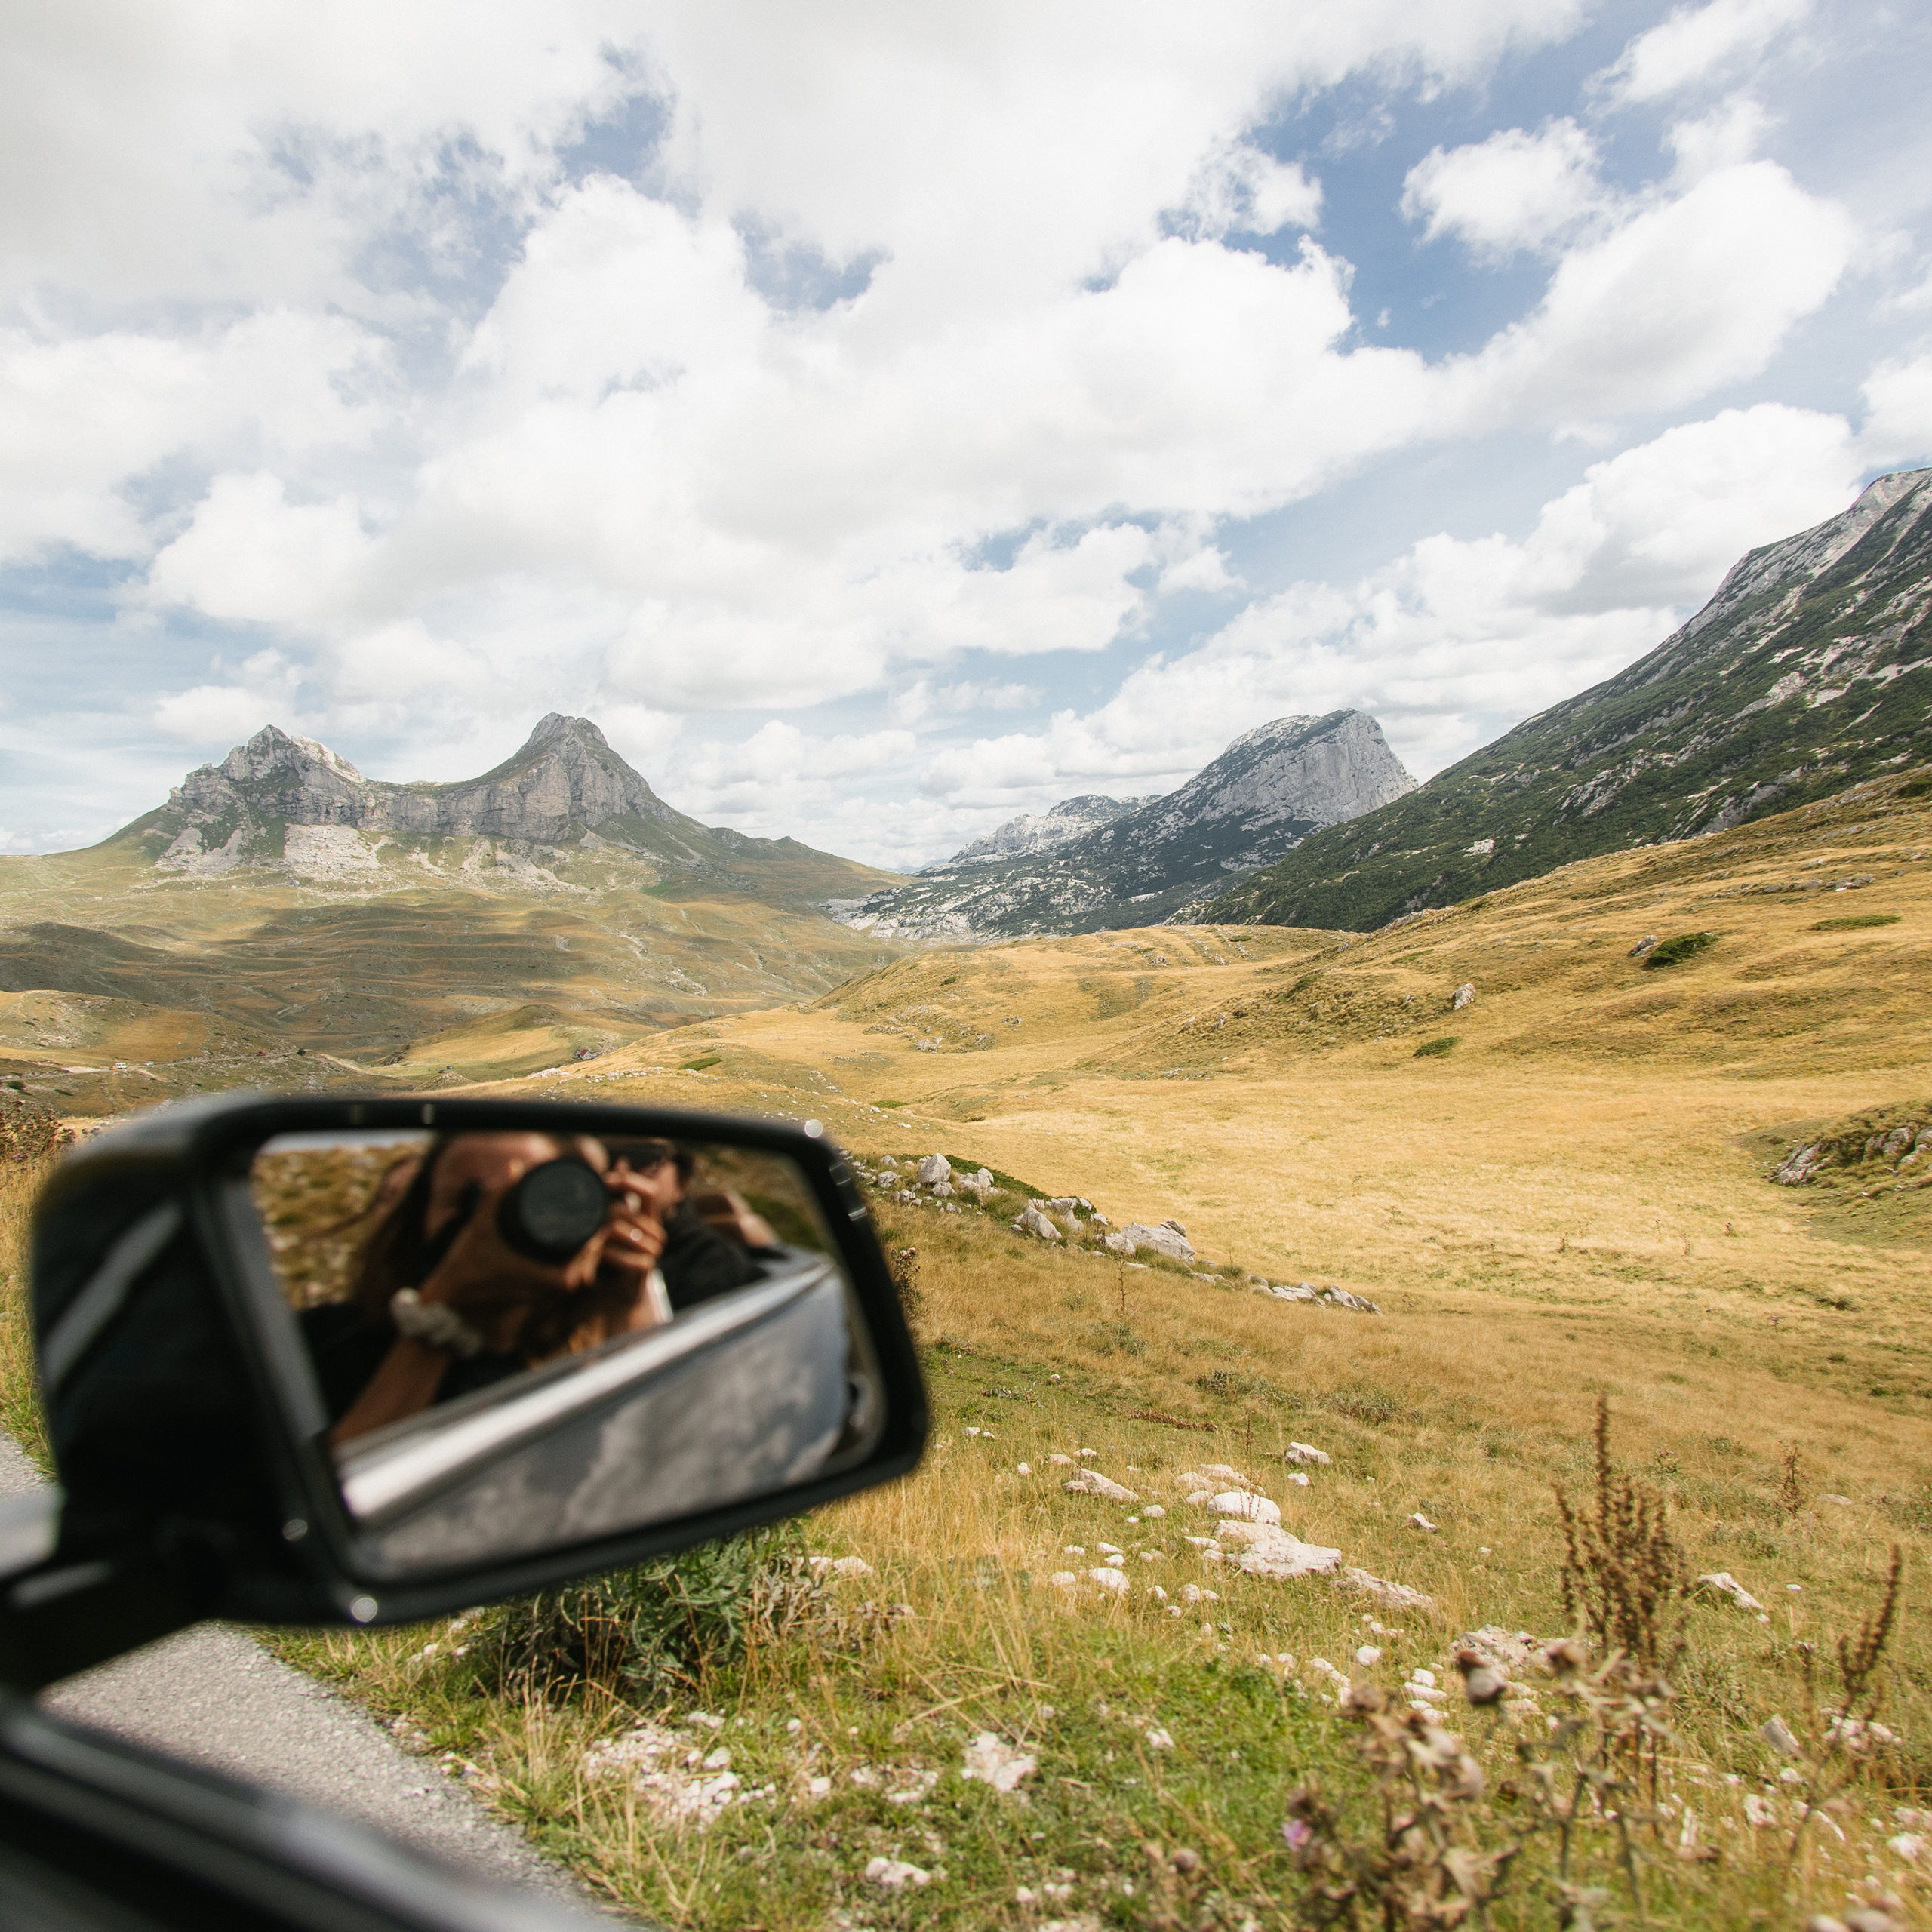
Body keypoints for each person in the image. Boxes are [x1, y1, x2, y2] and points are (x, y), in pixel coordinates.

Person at [303, 1131, 672, 1445]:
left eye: (523, 1195)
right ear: (419, 1216)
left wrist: (624, 1301)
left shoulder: (579, 1355)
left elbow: (645, 1457)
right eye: (466, 1198)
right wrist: (444, 1304)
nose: (488, 1218)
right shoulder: (321, 1342)